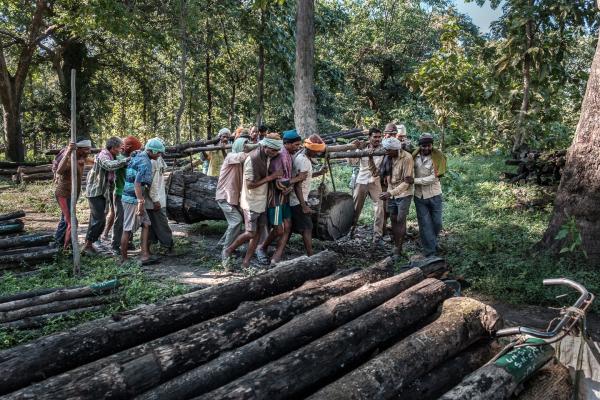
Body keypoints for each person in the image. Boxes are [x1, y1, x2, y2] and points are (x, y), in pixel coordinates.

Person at [221, 136, 283, 269]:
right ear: (265, 147)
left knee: (257, 233)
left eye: (277, 150)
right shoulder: (252, 159)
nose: (275, 153)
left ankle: (246, 262)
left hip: (261, 201)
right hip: (251, 202)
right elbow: (250, 184)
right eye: (273, 150)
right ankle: (228, 250)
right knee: (250, 233)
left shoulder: (266, 156)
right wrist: (271, 177)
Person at [256, 130, 306, 265]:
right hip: (276, 200)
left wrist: (290, 185)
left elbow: (285, 180)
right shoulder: (280, 156)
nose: (298, 147)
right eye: (295, 145)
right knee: (279, 229)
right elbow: (279, 183)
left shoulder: (288, 155)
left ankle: (277, 255)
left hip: (284, 199)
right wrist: (297, 179)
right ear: (286, 144)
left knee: (288, 226)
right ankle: (261, 248)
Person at [120, 138, 165, 264]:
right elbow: (137, 183)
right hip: (132, 199)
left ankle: (145, 254)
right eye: (158, 153)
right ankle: (123, 259)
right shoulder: (145, 163)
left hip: (133, 197)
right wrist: (140, 202)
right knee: (127, 229)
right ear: (152, 151)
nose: (159, 155)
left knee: (146, 224)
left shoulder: (139, 155)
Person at [83, 137, 130, 255]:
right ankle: (88, 244)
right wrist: (126, 160)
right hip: (95, 191)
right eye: (119, 148)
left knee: (97, 219)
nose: (121, 150)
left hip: (103, 191)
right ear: (113, 148)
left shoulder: (113, 155)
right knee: (99, 219)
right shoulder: (103, 155)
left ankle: (89, 244)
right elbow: (108, 166)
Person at [290, 134, 328, 256]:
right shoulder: (304, 161)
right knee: (307, 227)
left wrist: (319, 173)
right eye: (316, 152)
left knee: (289, 228)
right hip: (297, 199)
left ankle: (274, 250)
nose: (317, 154)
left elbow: (305, 176)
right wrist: (304, 206)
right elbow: (298, 185)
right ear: (310, 149)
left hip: (296, 198)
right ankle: (311, 255)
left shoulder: (302, 156)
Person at [104, 135, 142, 254]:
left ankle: (128, 242)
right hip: (120, 193)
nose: (137, 151)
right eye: (136, 149)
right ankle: (115, 245)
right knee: (120, 219)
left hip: (131, 193)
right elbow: (124, 163)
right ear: (129, 147)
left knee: (131, 219)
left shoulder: (132, 157)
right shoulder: (120, 157)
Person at [378, 137, 414, 261]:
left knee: (400, 220)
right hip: (391, 192)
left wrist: (390, 193)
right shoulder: (388, 157)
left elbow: (407, 182)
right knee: (393, 219)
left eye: (388, 150)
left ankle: (399, 249)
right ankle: (396, 246)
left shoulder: (407, 158)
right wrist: (389, 192)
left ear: (395, 149)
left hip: (404, 194)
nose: (386, 152)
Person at [412, 133, 447, 257]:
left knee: (437, 223)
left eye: (428, 145)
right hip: (419, 196)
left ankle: (432, 242)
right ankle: (430, 252)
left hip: (435, 194)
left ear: (432, 145)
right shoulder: (414, 157)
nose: (426, 148)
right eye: (423, 146)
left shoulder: (437, 157)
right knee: (425, 224)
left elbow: (433, 178)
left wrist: (414, 181)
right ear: (420, 146)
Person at [53, 139, 91, 249]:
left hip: (72, 195)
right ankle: (67, 248)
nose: (89, 151)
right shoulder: (70, 159)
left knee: (65, 220)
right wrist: (69, 152)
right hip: (63, 194)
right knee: (72, 222)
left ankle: (58, 244)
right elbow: (59, 171)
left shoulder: (81, 158)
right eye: (86, 149)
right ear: (79, 149)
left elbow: (94, 161)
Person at [349, 127, 385, 243]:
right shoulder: (362, 148)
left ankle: (377, 235)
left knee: (379, 207)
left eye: (379, 137)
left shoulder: (383, 149)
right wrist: (354, 148)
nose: (377, 139)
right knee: (356, 207)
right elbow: (352, 162)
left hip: (375, 181)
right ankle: (350, 230)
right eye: (375, 137)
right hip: (362, 180)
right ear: (369, 137)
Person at [215, 148, 250, 252]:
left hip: (231, 198)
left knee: (234, 222)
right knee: (236, 221)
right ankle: (226, 250)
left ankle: (222, 244)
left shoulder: (240, 164)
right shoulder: (231, 156)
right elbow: (241, 156)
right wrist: (255, 151)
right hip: (224, 197)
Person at [146, 153, 173, 252]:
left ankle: (160, 245)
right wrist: (155, 200)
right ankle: (165, 245)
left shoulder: (158, 158)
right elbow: (153, 184)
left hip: (157, 197)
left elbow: (161, 175)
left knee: (157, 222)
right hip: (154, 199)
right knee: (159, 223)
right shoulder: (152, 162)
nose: (160, 154)